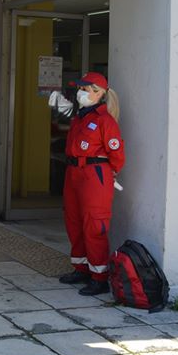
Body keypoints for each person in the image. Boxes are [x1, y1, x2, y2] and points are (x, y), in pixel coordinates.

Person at [54, 72, 124, 296]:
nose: (80, 93)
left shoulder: (105, 120)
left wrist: (110, 174)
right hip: (74, 173)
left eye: (84, 89)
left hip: (95, 175)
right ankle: (82, 269)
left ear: (98, 93)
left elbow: (117, 155)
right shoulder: (80, 118)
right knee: (74, 221)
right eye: (80, 89)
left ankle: (99, 277)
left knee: (94, 226)